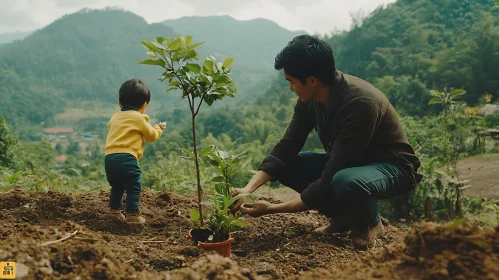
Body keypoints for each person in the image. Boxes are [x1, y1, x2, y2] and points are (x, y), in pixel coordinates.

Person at [231, 35, 422, 249]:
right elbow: (288, 144)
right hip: (352, 164)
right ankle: (345, 219)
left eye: (292, 82)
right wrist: (248, 188)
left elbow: (332, 175)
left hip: (392, 167)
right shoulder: (311, 99)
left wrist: (272, 209)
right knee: (286, 165)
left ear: (312, 80)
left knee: (345, 180)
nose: (291, 88)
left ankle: (371, 223)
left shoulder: (360, 104)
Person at [105, 78, 166, 224]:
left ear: (120, 103)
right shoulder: (140, 118)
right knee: (134, 185)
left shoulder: (114, 117)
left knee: (117, 186)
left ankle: (114, 211)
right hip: (127, 158)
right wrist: (158, 129)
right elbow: (151, 137)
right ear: (144, 105)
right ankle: (132, 214)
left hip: (109, 158)